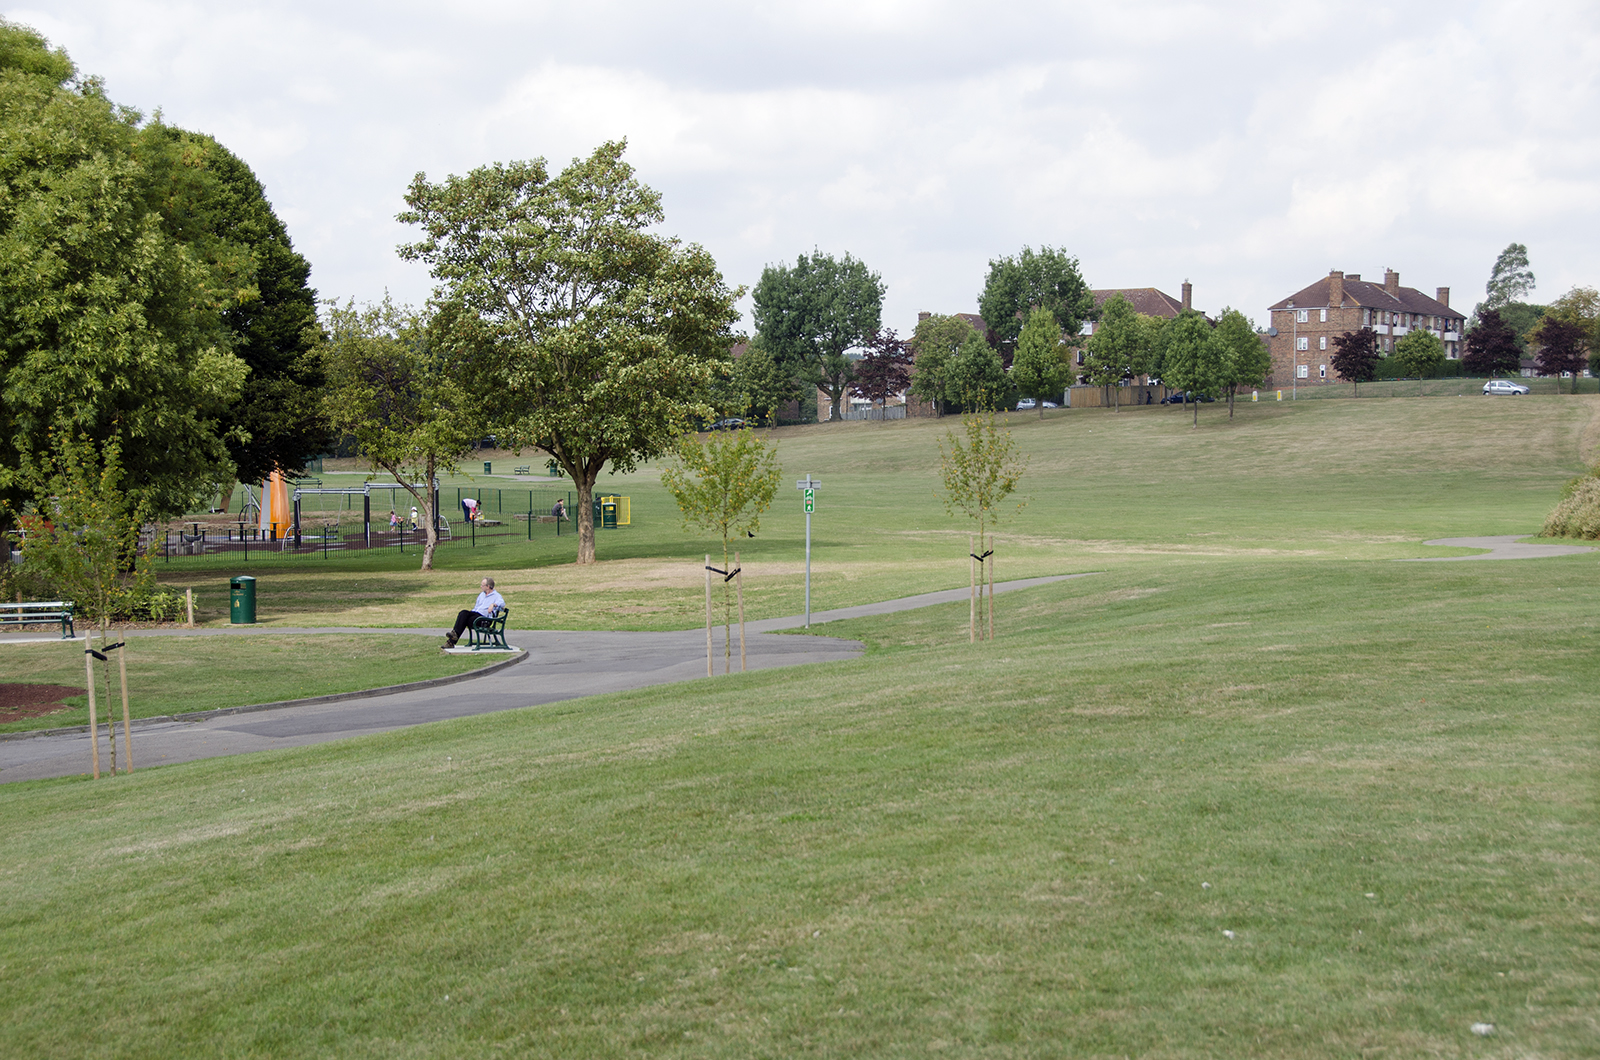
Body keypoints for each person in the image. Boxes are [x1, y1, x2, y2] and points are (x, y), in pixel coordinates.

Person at [445, 577, 505, 648]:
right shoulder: (481, 595)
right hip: (476, 615)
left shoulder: (496, 596)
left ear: (488, 586)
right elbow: (476, 608)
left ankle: (451, 641)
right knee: (463, 613)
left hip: (484, 619)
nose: (481, 587)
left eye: (482, 585)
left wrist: (493, 604)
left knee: (466, 620)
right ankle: (454, 635)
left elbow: (502, 603)